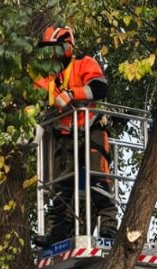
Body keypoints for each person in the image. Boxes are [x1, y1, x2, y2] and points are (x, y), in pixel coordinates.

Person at [33, 25, 118, 247]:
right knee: (63, 185)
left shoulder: (85, 64)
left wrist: (72, 94)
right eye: (49, 51)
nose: (52, 55)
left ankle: (108, 229)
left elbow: (99, 88)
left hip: (92, 129)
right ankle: (58, 232)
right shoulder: (51, 77)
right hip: (65, 134)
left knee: (98, 179)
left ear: (68, 47)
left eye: (56, 49)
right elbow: (34, 92)